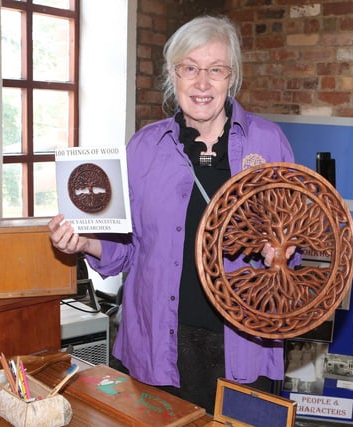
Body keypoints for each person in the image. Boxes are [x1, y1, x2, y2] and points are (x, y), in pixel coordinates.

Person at [47, 15, 296, 414]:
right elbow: (127, 250)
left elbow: (297, 236)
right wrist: (84, 241)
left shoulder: (267, 142)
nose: (202, 83)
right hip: (158, 344)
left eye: (216, 70)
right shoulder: (145, 147)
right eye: (190, 68)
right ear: (172, 74)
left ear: (231, 78)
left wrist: (281, 252)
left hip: (244, 346)